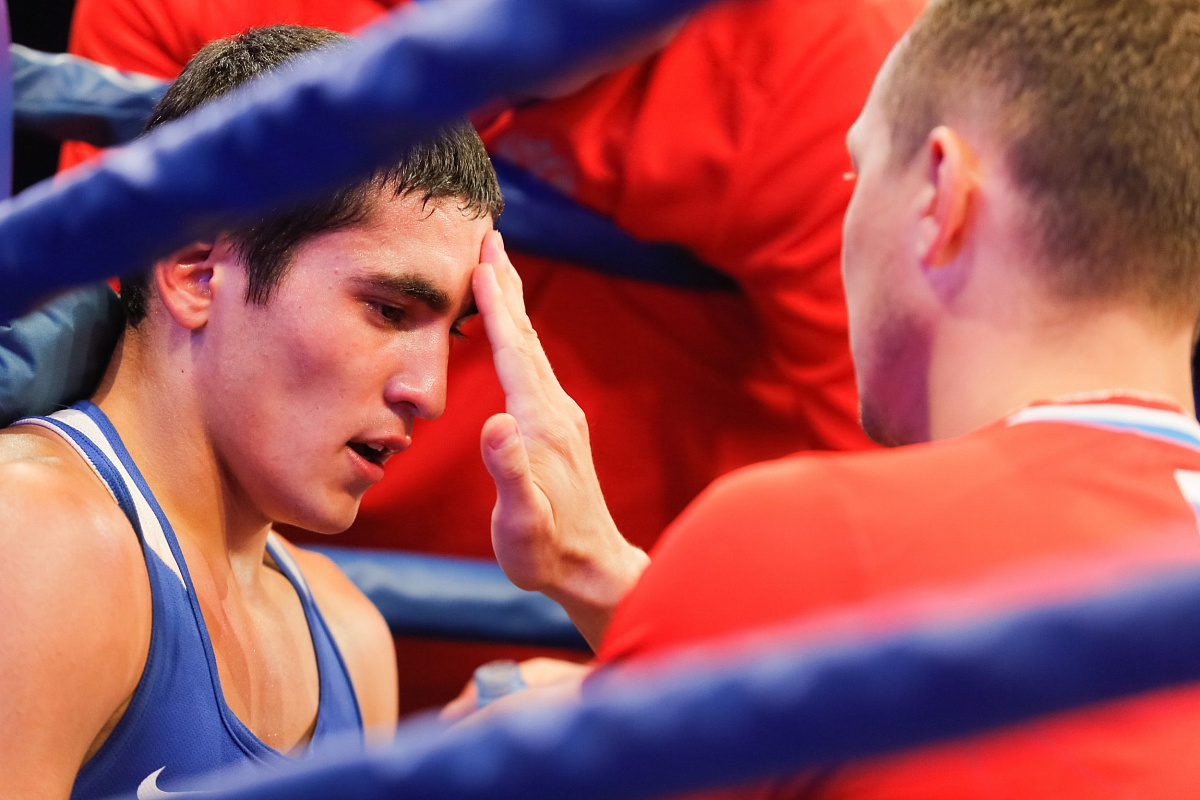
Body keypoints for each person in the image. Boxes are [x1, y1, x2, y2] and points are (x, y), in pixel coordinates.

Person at [60, 0, 919, 709]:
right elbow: (128, 368)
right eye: (388, 308)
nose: (428, 392)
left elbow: (904, 562)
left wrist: (630, 669)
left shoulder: (833, 61)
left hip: (616, 690)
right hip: (219, 633)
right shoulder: (58, 557)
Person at [474, 0, 1200, 795]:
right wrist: (602, 577)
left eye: (856, 171)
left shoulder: (809, 537)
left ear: (940, 197)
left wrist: (529, 747)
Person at [0, 25, 515, 798]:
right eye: (387, 310)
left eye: (453, 332)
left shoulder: (352, 639)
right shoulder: (37, 544)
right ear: (197, 273)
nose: (430, 393)